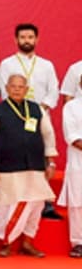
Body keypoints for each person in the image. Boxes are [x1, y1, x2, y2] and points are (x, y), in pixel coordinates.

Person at [0, 74, 57, 257]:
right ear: (6, 88)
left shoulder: (37, 109)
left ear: (26, 89)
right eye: (13, 86)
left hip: (35, 166)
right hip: (6, 167)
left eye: (20, 86)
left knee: (35, 205)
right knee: (6, 206)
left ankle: (27, 243)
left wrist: (51, 162)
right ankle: (6, 242)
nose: (16, 89)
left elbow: (48, 135)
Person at [0, 23, 63, 221]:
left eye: (30, 37)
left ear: (37, 39)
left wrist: (42, 108)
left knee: (42, 154)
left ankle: (45, 203)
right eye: (23, 37)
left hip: (40, 115)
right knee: (18, 154)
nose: (27, 40)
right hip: (15, 117)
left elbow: (54, 90)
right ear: (16, 40)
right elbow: (3, 88)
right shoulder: (7, 64)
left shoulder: (46, 65)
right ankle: (18, 197)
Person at [60, 82, 82, 258]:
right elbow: (72, 136)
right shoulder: (71, 107)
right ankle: (78, 242)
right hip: (78, 161)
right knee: (77, 204)